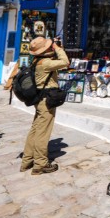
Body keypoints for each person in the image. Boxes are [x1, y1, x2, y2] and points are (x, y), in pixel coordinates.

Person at [20, 36, 69, 175]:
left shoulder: (36, 61)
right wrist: (58, 48)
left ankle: (27, 160)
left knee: (35, 129)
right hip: (46, 101)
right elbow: (65, 62)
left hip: (39, 100)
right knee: (43, 132)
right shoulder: (46, 63)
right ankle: (40, 164)